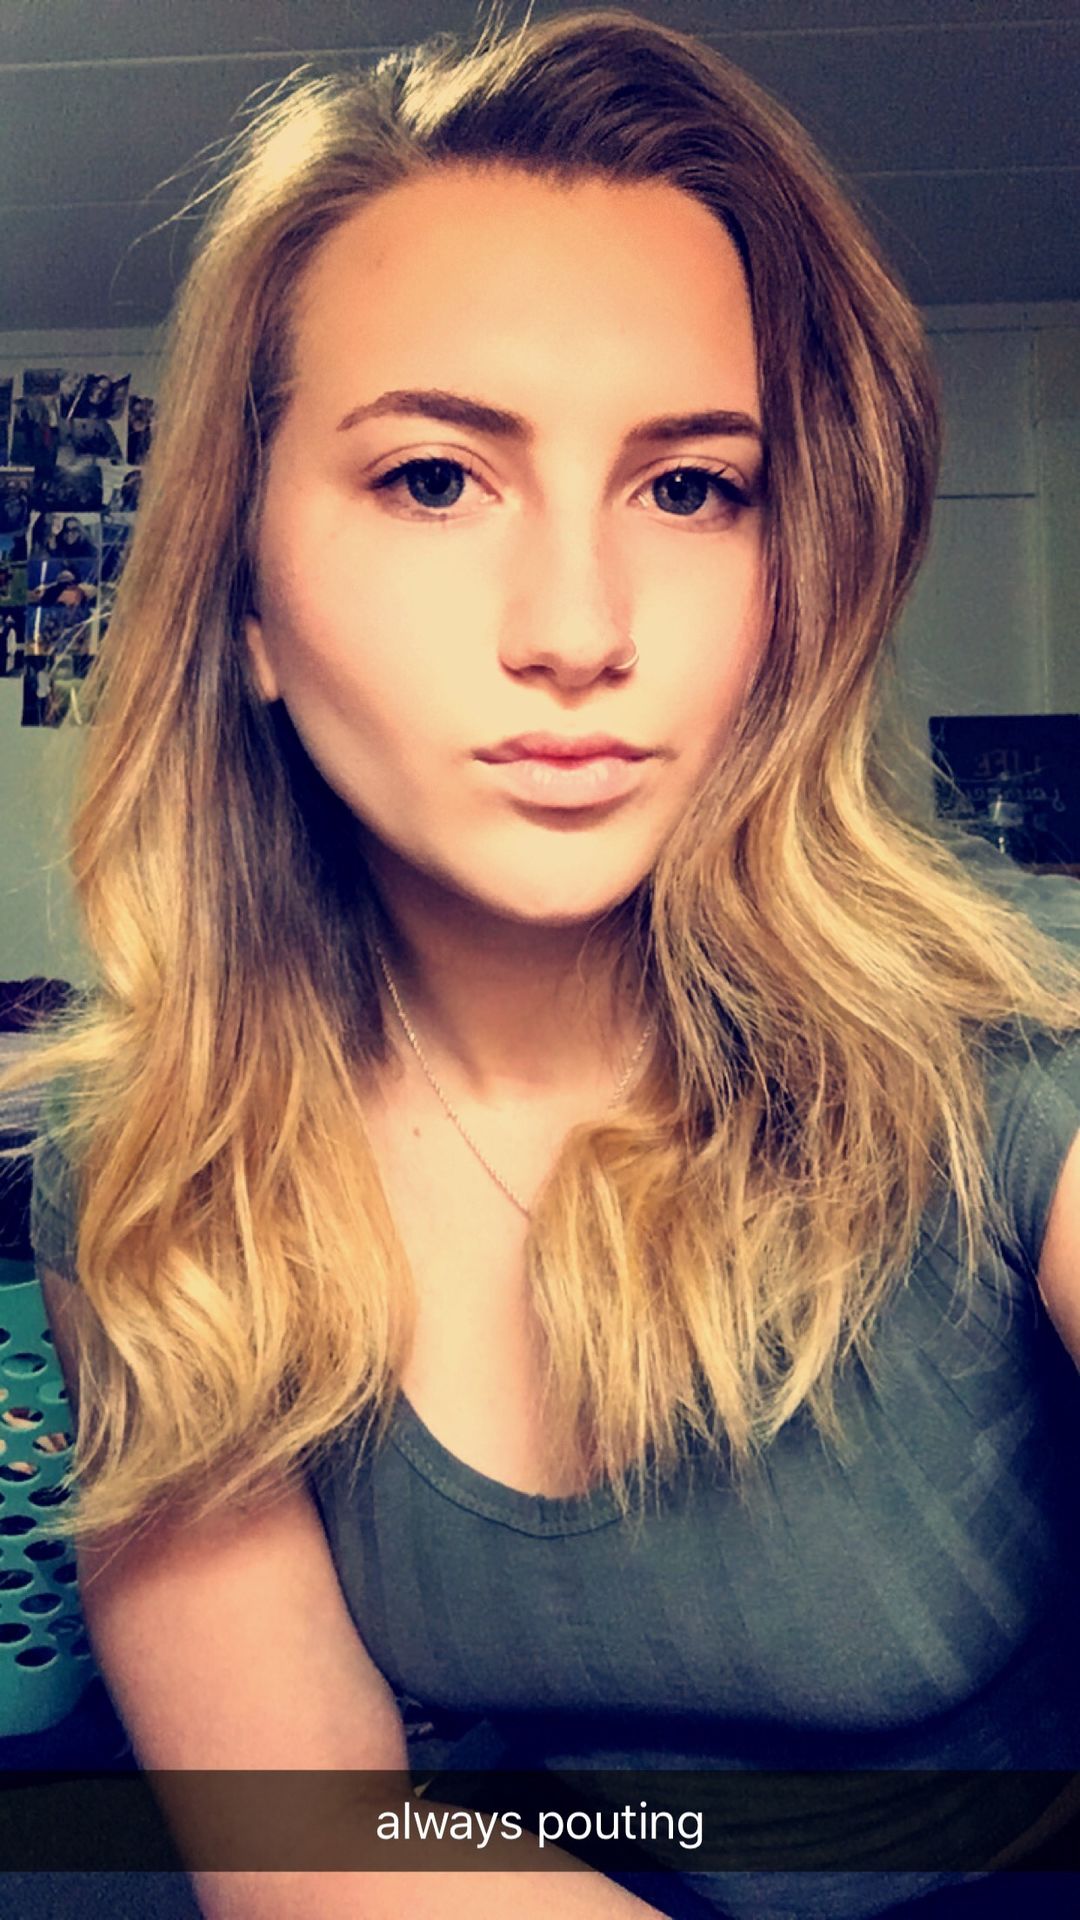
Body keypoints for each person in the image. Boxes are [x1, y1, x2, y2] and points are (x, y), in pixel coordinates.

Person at [2, 6, 1079, 1918]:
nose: (579, 629)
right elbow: (316, 1848)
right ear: (245, 600)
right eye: (435, 478)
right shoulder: (154, 1160)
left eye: (691, 487)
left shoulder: (1018, 1050)